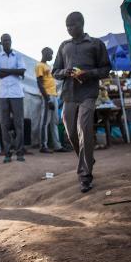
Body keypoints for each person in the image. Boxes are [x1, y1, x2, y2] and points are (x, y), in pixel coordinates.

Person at [52, 11, 111, 193]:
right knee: (71, 134)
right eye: (67, 26)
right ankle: (88, 159)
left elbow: (106, 69)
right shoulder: (64, 46)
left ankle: (85, 176)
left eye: (73, 25)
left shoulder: (95, 44)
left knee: (84, 129)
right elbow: (55, 71)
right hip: (69, 95)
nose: (70, 29)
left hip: (88, 93)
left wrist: (88, 74)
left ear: (81, 24)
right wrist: (66, 72)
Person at [0, 33, 26, 163]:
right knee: (4, 124)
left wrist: (4, 70)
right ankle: (7, 153)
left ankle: (20, 152)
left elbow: (22, 71)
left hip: (17, 94)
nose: (7, 42)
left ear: (11, 41)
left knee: (19, 124)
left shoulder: (18, 55)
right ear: (1, 43)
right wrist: (13, 71)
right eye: (4, 40)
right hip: (2, 95)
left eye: (8, 40)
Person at [35, 48, 68, 153]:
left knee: (54, 122)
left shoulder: (48, 66)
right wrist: (47, 99)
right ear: (44, 53)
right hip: (47, 97)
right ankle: (43, 146)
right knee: (45, 122)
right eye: (50, 54)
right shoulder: (39, 66)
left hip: (53, 96)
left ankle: (57, 145)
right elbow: (39, 83)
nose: (52, 56)